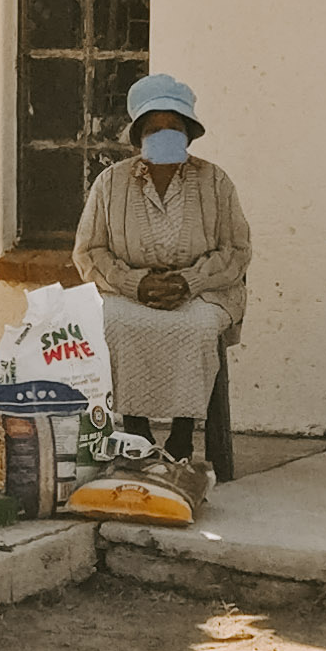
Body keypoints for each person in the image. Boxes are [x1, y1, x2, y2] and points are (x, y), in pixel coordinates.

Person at [71, 72, 252, 464]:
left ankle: (182, 436)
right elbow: (90, 252)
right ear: (139, 136)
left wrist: (189, 282)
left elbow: (235, 250)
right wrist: (135, 284)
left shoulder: (216, 181)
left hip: (203, 292)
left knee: (198, 328)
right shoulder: (110, 183)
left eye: (174, 126)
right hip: (129, 293)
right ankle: (136, 429)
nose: (165, 134)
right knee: (115, 323)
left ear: (188, 133)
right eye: (155, 127)